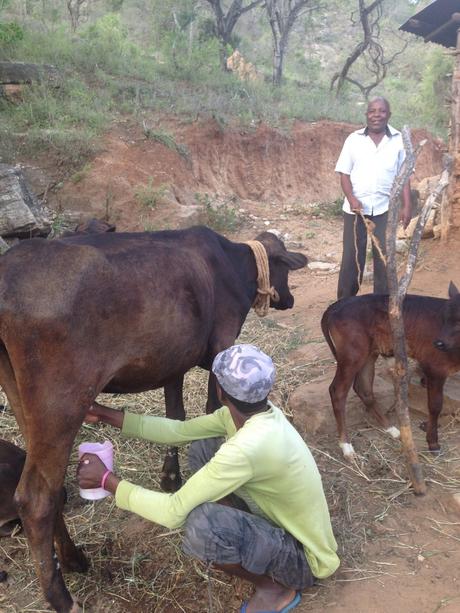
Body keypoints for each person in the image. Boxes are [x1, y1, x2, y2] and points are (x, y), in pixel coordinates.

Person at [77, 344, 340, 613]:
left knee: (203, 525)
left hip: (304, 561)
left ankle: (275, 588)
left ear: (220, 390)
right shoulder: (257, 415)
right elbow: (179, 431)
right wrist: (105, 414)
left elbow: (172, 512)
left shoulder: (248, 447)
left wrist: (108, 480)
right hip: (280, 525)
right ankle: (239, 535)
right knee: (203, 446)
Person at [335, 96, 412, 300]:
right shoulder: (353, 140)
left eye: (382, 111)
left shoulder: (398, 141)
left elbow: (404, 176)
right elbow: (344, 174)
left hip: (385, 209)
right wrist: (351, 198)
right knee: (352, 258)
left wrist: (407, 205)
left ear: (389, 114)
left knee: (384, 259)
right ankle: (345, 305)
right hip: (355, 210)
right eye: (372, 111)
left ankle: (382, 306)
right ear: (366, 114)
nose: (376, 115)